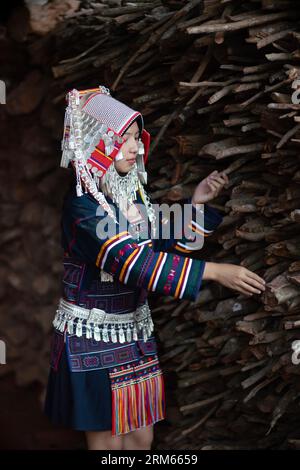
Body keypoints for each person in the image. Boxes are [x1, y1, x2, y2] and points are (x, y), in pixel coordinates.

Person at [43, 85, 266, 451]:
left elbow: (157, 243)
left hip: (133, 334)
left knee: (142, 436)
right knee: (106, 439)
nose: (136, 148)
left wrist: (196, 203)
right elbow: (133, 263)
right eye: (125, 140)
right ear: (97, 142)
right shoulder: (83, 209)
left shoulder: (128, 199)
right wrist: (212, 271)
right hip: (92, 335)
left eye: (135, 139)